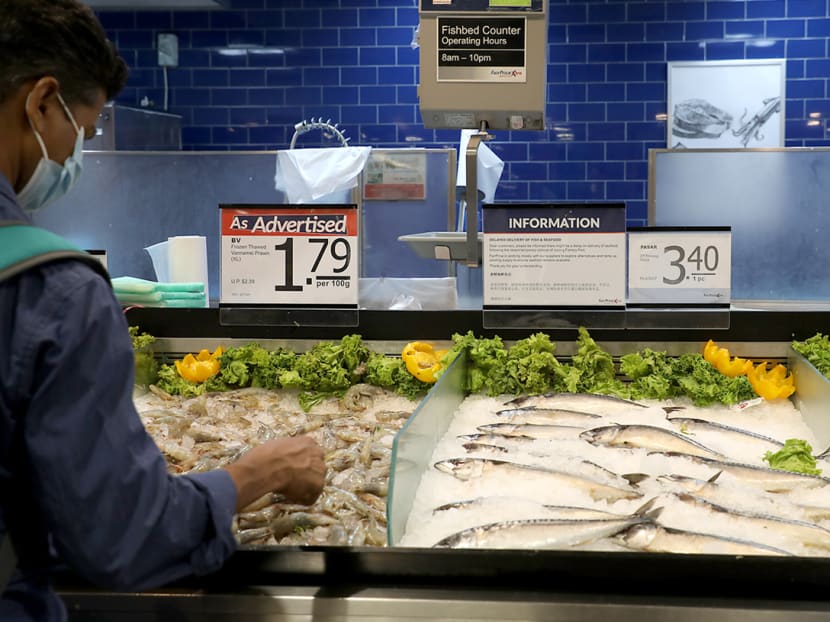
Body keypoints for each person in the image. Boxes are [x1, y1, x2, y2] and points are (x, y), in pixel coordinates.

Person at [0, 2, 327, 620]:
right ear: (42, 102)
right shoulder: (53, 290)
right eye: (86, 131)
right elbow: (126, 539)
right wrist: (260, 470)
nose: (76, 157)